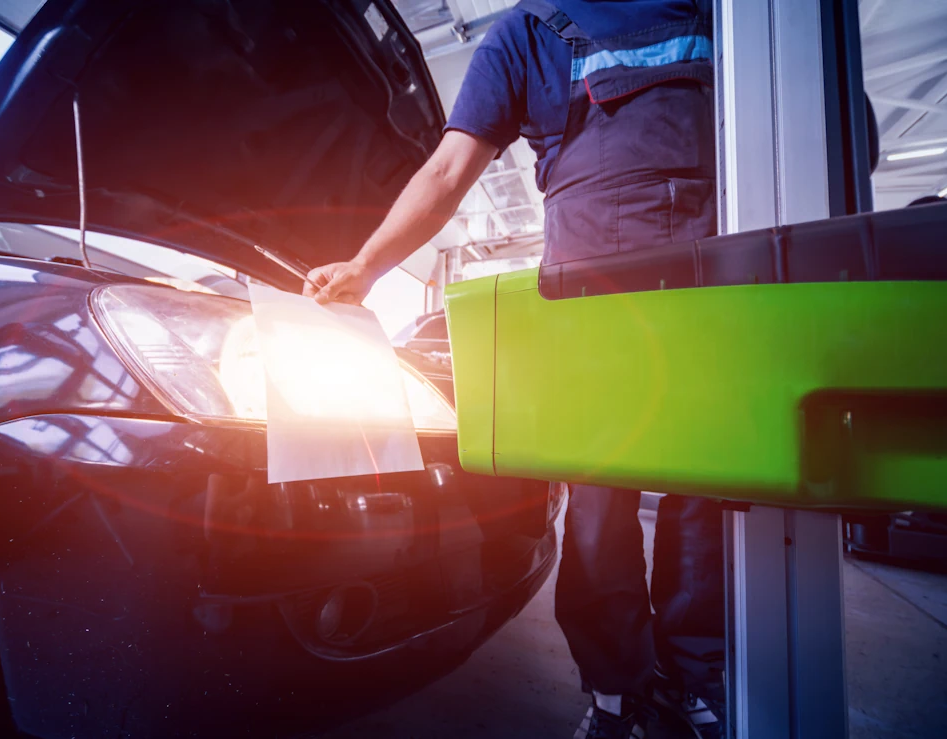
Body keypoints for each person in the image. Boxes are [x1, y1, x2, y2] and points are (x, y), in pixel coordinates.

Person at [303, 2, 725, 737]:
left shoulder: (712, 10)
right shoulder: (525, 34)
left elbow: (447, 171)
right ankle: (628, 692)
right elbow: (447, 169)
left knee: (699, 485)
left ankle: (688, 679)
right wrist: (365, 267)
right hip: (619, 285)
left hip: (698, 273)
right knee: (617, 495)